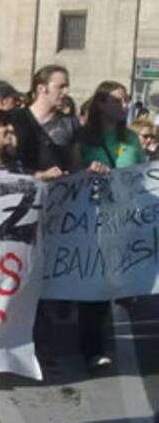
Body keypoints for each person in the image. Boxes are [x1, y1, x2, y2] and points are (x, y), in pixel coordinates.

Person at [75, 81, 147, 372]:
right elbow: (72, 177)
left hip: (123, 218)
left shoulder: (131, 139)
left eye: (126, 100)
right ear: (101, 104)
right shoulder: (84, 139)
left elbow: (142, 174)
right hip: (89, 219)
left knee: (112, 281)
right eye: (118, 101)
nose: (125, 106)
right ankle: (92, 348)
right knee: (94, 283)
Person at [10, 64, 81, 181]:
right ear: (41, 88)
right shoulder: (14, 119)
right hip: (20, 191)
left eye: (67, 87)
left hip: (56, 193)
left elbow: (76, 165)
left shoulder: (70, 123)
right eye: (61, 87)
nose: (66, 91)